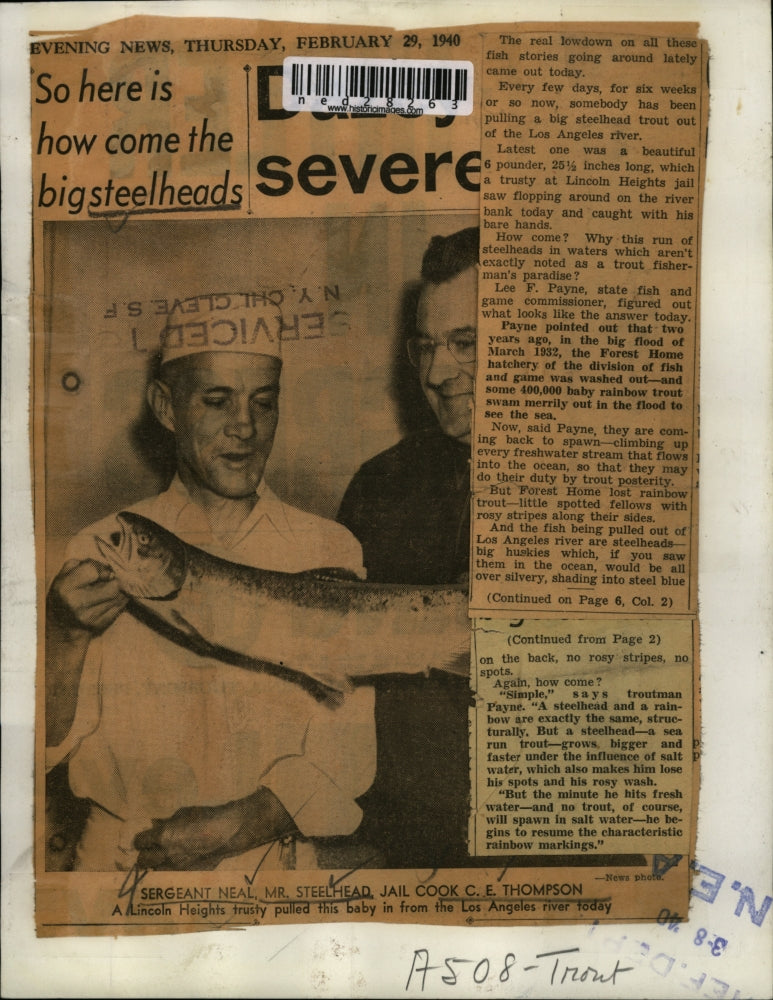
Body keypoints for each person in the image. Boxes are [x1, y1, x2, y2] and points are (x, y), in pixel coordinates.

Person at [45, 293, 377, 872]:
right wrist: (66, 635)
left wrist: (241, 825)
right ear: (166, 407)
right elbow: (43, 747)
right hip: (121, 864)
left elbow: (348, 752)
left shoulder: (328, 549)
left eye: (263, 402)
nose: (244, 426)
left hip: (268, 863)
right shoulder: (102, 548)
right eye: (217, 401)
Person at [338, 227, 478, 867]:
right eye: (425, 346)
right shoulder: (379, 485)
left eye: (466, 343)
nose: (438, 372)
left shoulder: (618, 478)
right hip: (398, 847)